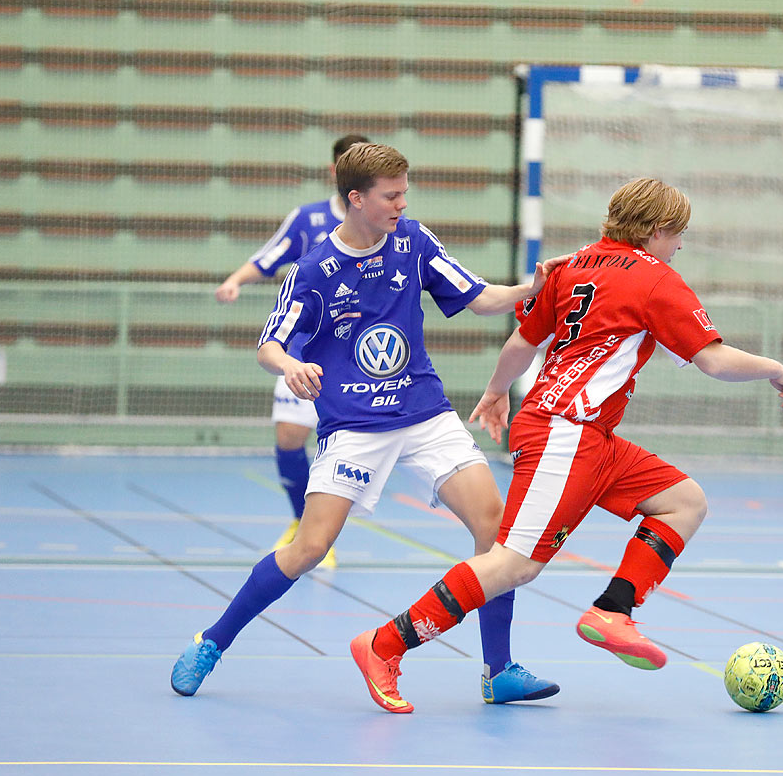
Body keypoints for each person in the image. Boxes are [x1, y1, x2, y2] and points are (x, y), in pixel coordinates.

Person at [346, 178, 783, 713]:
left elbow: (522, 341)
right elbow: (714, 360)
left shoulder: (577, 263)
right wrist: (777, 368)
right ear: (657, 231)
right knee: (512, 565)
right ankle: (384, 644)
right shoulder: (658, 281)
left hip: (591, 434)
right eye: (678, 235)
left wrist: (496, 392)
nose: (680, 246)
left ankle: (613, 611)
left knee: (684, 501)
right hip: (566, 430)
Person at [171, 142, 560, 706]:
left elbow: (479, 298)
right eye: (392, 195)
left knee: (495, 530)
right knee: (308, 548)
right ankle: (212, 641)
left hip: (424, 412)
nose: (403, 202)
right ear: (356, 199)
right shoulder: (313, 271)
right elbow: (269, 346)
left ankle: (497, 671)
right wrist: (292, 364)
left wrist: (529, 289)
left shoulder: (415, 241)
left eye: (405, 192)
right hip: (354, 425)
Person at [215, 132, 369, 561]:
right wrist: (235, 280)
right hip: (302, 347)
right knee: (288, 438)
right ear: (336, 171)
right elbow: (269, 257)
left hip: (355, 354)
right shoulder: (308, 218)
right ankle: (305, 526)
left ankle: (321, 532)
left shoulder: (383, 222)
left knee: (340, 444)